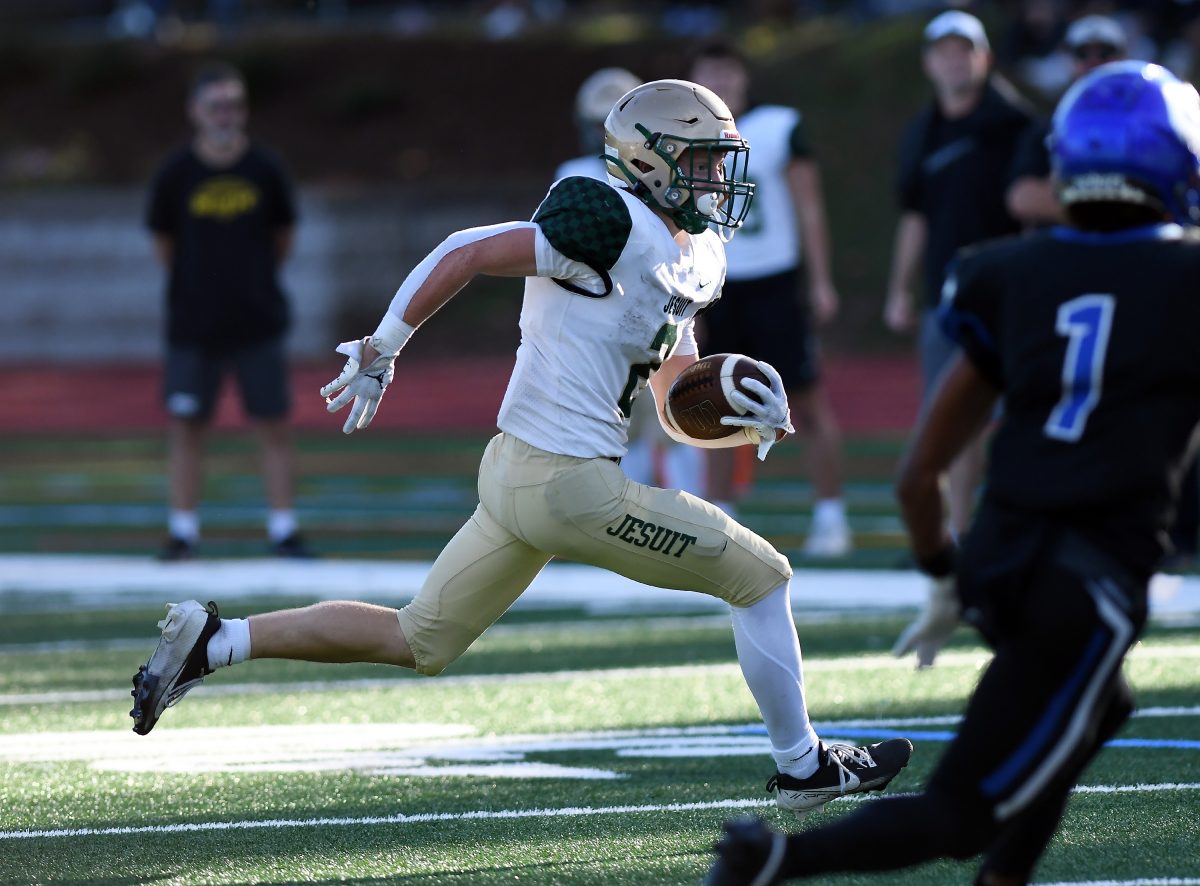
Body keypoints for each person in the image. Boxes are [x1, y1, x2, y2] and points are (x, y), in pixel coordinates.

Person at [129, 79, 913, 816]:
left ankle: (216, 643)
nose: (717, 179)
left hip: (519, 475)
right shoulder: (606, 217)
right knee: (762, 576)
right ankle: (804, 766)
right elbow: (467, 249)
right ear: (649, 159)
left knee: (419, 639)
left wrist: (732, 407)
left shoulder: (694, 252)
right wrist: (386, 342)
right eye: (703, 161)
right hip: (567, 486)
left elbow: (669, 395)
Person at [706, 60, 1200, 885]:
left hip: (1002, 562)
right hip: (1089, 587)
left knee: (1102, 706)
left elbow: (918, 475)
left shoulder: (1006, 273)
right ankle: (770, 860)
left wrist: (946, 575)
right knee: (962, 811)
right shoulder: (1186, 279)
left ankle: (1003, 880)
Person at [688, 40, 850, 558]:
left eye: (728, 72)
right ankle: (721, 516)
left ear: (743, 78)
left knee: (803, 398)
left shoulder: (779, 127)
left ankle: (831, 514)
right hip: (715, 285)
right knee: (710, 400)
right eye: (711, 73)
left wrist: (820, 280)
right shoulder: (683, 134)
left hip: (777, 281)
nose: (722, 81)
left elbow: (811, 209)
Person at [146, 61, 313, 561]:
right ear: (194, 111)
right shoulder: (175, 173)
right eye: (216, 105)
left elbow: (283, 238)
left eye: (234, 104)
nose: (226, 114)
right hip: (193, 325)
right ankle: (183, 531)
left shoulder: (265, 169)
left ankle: (284, 529)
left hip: (257, 320)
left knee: (274, 425)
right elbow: (164, 243)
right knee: (186, 429)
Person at [883, 11, 1034, 542]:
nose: (953, 60)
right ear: (928, 62)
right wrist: (899, 288)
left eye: (963, 49)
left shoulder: (1015, 125)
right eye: (943, 51)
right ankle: (953, 531)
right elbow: (916, 216)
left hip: (1012, 293)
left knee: (1020, 417)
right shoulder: (924, 131)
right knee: (948, 417)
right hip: (947, 297)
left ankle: (1000, 526)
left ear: (984, 57)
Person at [554, 67, 706, 496]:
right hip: (611, 317)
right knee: (633, 428)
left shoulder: (647, 180)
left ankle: (689, 511)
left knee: (669, 418)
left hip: (645, 313)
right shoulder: (579, 175)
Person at [1006, 14, 1129, 228]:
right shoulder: (1047, 127)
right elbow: (1022, 199)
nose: (1094, 62)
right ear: (1067, 58)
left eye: (1105, 52)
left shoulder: (1145, 122)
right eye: (1082, 53)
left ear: (1123, 57)